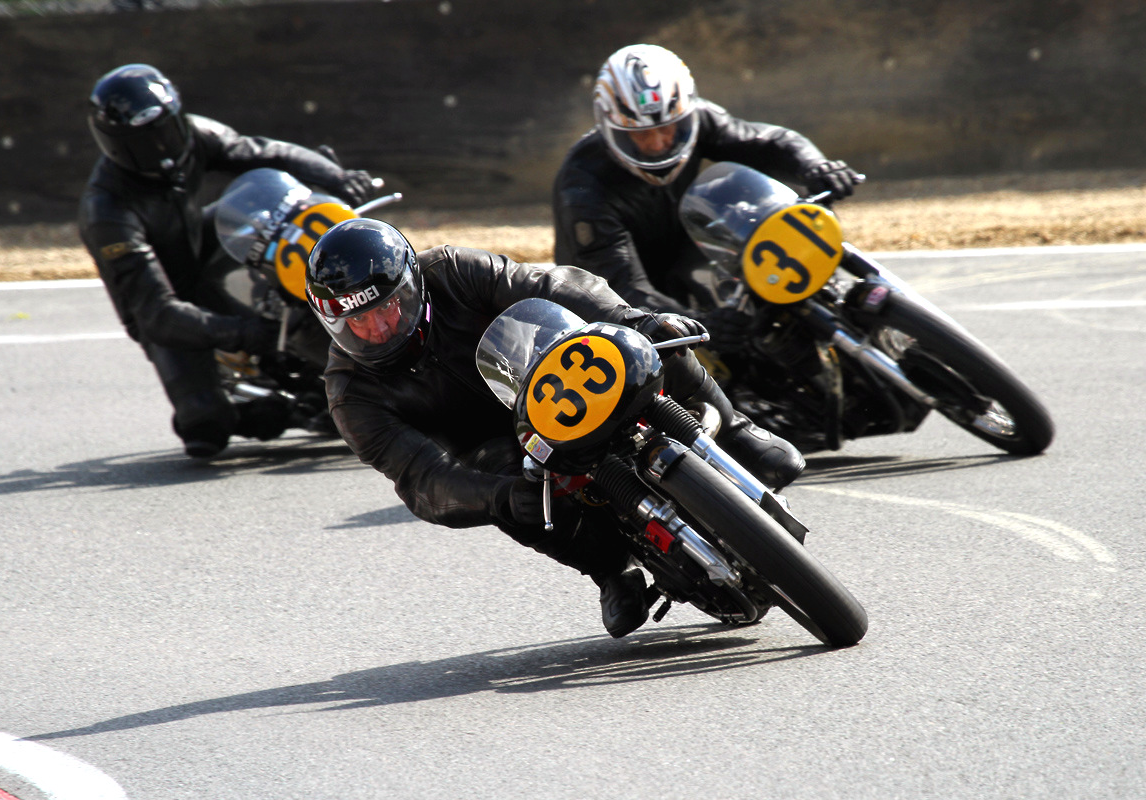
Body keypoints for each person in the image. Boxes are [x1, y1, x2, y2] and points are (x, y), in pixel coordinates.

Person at [307, 217, 803, 638]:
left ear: (410, 287)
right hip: (499, 445)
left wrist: (632, 319)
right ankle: (610, 571)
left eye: (384, 308)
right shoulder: (351, 395)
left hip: (550, 373)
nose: (376, 328)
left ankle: (734, 427)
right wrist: (496, 497)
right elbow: (421, 479)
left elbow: (547, 285)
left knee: (644, 343)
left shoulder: (453, 270)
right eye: (356, 320)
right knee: (517, 501)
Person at [78, 63, 380, 459]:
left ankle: (320, 301)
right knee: (205, 426)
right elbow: (157, 316)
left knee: (271, 207)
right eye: (148, 140)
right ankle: (285, 410)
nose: (166, 144)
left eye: (170, 127)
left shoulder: (194, 134)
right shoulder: (108, 213)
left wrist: (336, 177)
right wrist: (244, 332)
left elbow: (267, 151)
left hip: (197, 248)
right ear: (116, 143)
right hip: (164, 309)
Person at [552, 43, 863, 348]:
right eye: (642, 134)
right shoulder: (582, 186)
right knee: (686, 375)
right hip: (613, 303)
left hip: (692, 243)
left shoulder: (701, 119)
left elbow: (767, 141)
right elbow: (621, 287)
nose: (660, 143)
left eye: (669, 128)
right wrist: (694, 323)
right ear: (612, 127)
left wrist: (815, 166)